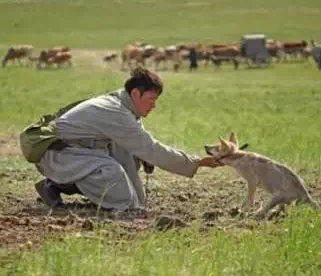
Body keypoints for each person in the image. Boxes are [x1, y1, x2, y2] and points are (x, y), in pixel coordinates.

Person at [33, 67, 224, 211]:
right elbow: (151, 148)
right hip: (58, 155)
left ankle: (62, 184)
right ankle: (56, 184)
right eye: (151, 99)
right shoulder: (115, 111)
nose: (154, 105)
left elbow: (143, 146)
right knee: (115, 178)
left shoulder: (125, 106)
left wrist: (146, 157)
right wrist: (197, 162)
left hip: (78, 153)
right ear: (135, 94)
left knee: (130, 158)